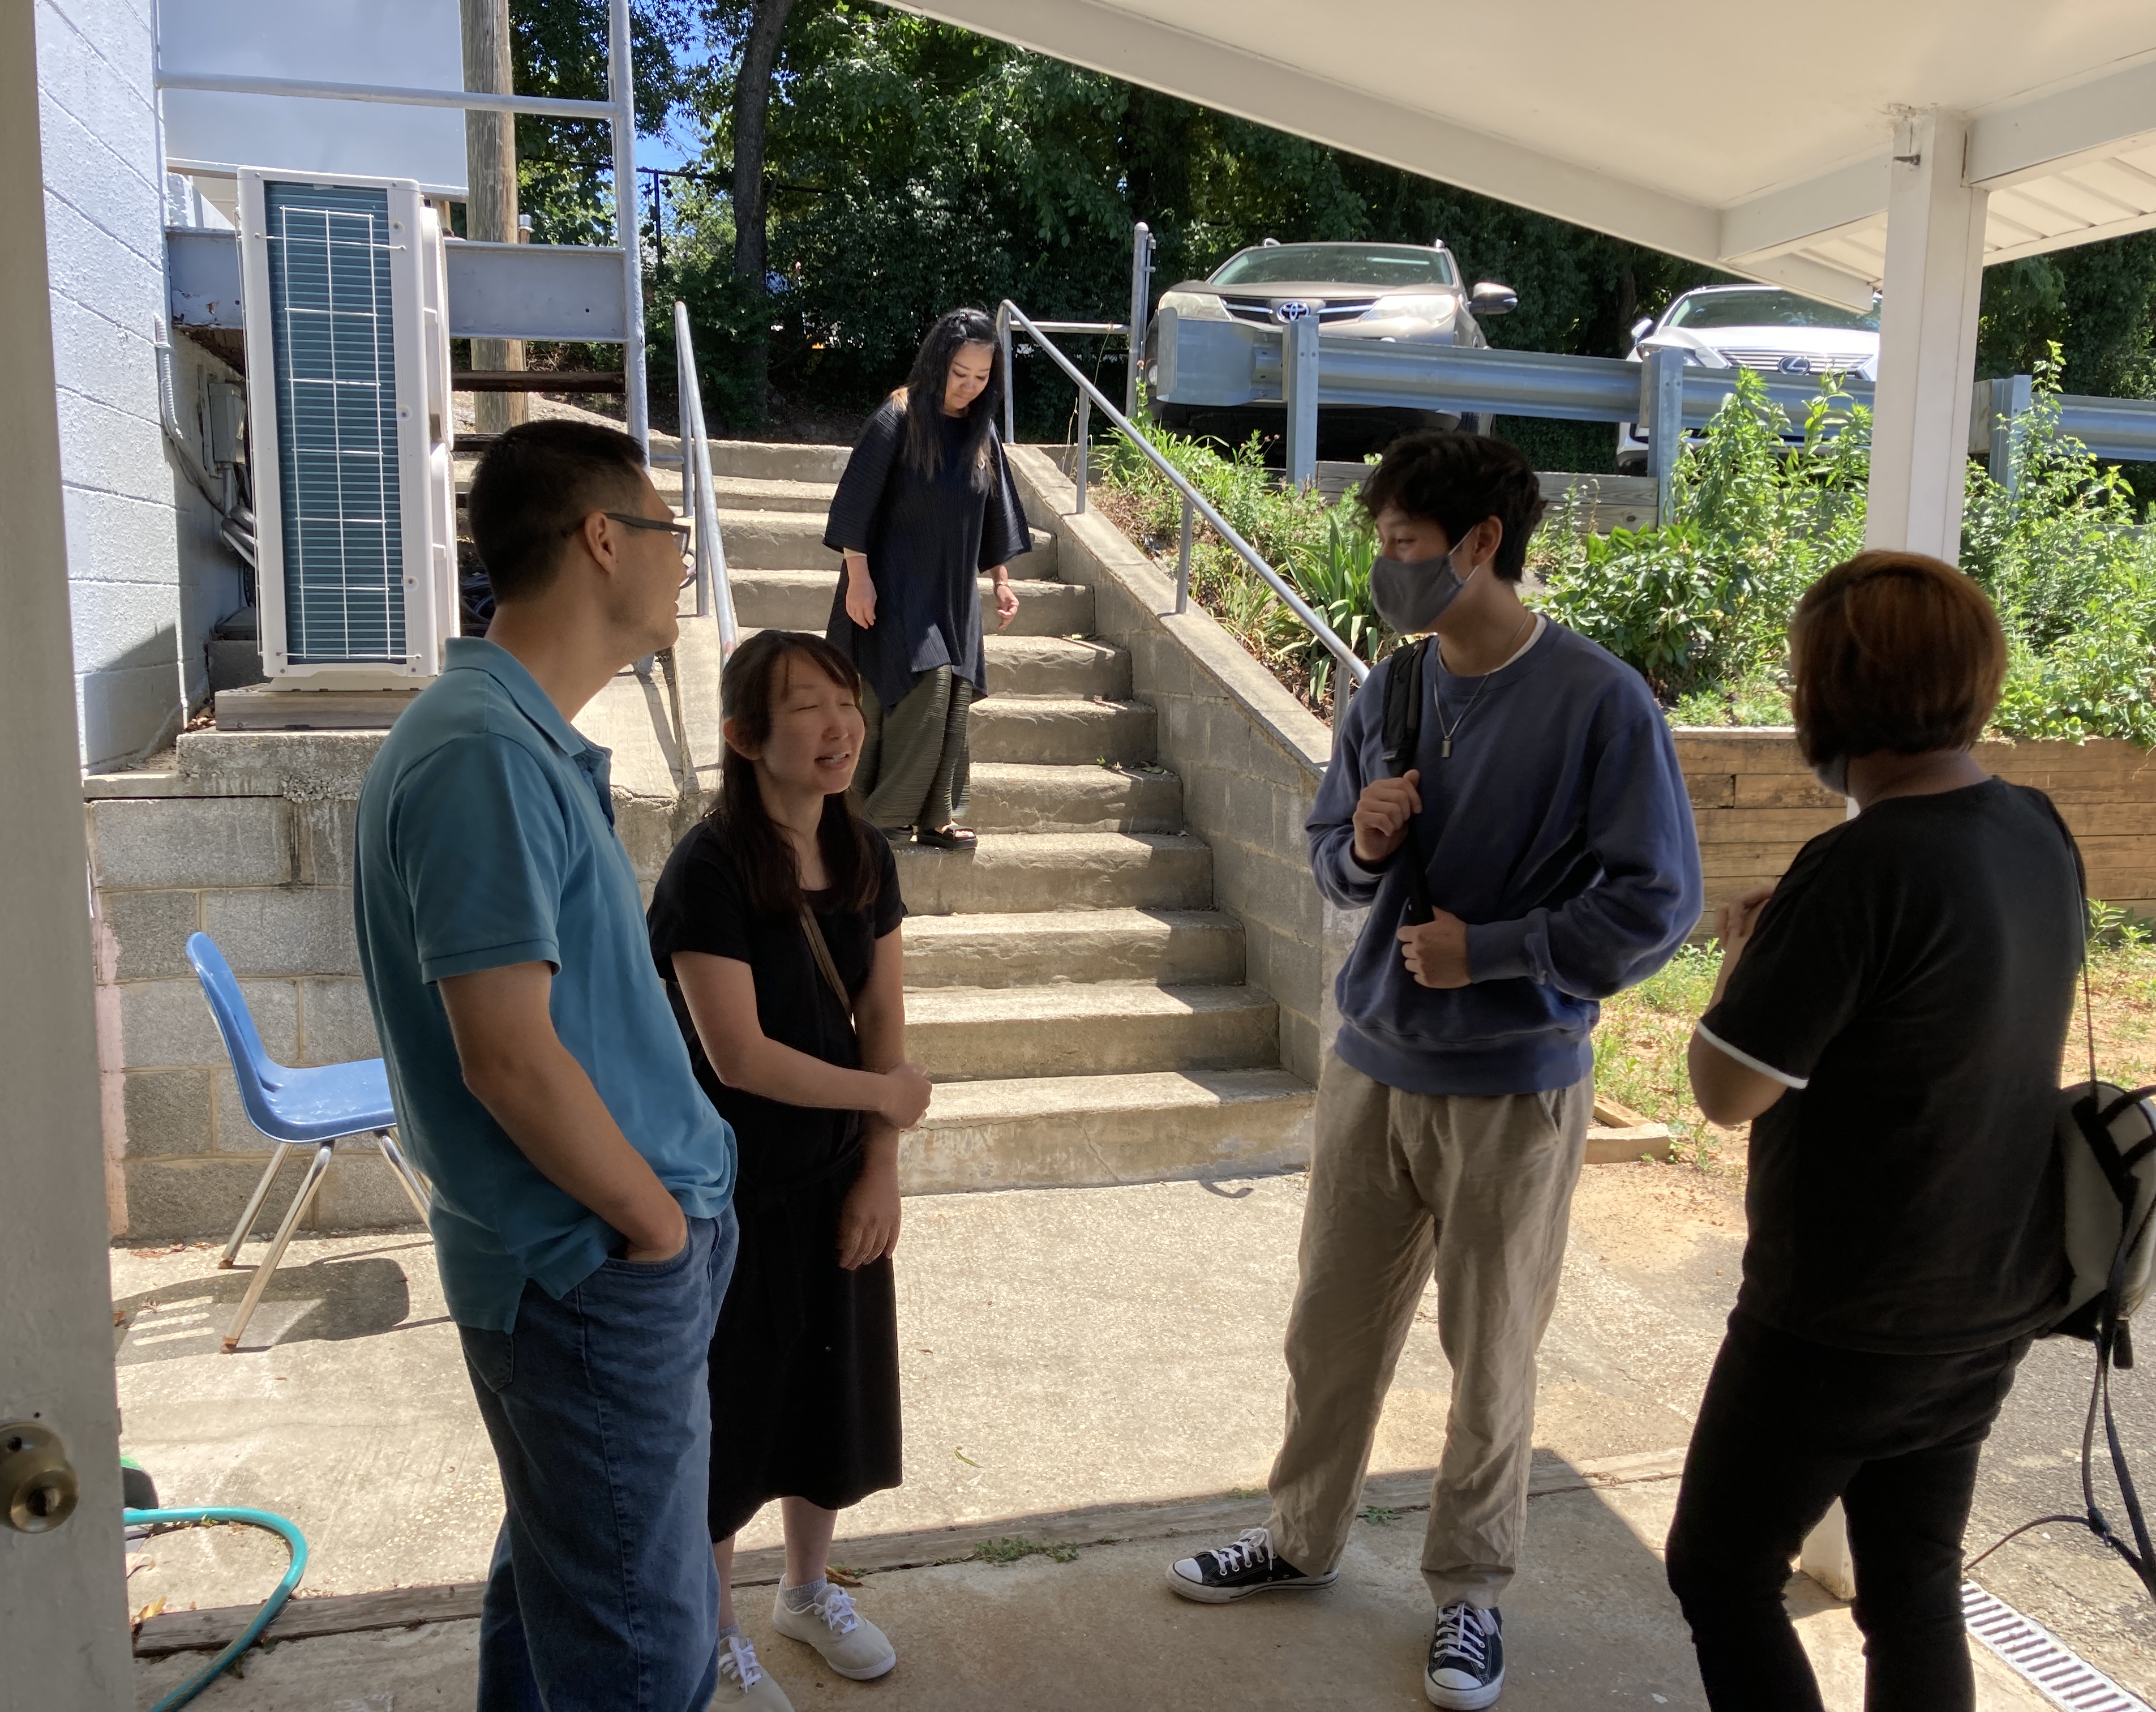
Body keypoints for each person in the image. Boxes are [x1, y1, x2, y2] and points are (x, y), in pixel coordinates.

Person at [1164, 431, 1705, 1710]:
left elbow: (1658, 902)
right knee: (1328, 1329)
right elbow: (1329, 859)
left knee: (1490, 1352)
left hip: (1514, 1082)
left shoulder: (1598, 702)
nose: (1384, 566)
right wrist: (1361, 841)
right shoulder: (1392, 690)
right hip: (1373, 1065)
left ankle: (1470, 1593)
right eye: (1382, 543)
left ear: (1480, 544)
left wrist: (1496, 952)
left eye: (1403, 543)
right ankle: (1300, 1537)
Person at [353, 420, 738, 1711]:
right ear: (601, 540)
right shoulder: (483, 753)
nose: (683, 562)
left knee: (564, 1590)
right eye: (671, 532)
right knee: (642, 1649)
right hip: (590, 1265)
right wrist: (653, 1228)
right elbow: (509, 1059)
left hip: (590, 1260)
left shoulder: (510, 736)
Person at [1666, 551, 2084, 1712]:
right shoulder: (2035, 828)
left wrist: (1745, 961)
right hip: (1990, 1288)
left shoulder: (1858, 866)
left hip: (1842, 1313)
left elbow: (1727, 1089)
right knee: (1912, 1584)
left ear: (1837, 692)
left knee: (1720, 1570)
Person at [646, 630, 932, 1709]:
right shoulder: (709, 868)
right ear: (744, 735)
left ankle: (806, 1590)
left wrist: (878, 1166)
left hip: (833, 1176)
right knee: (727, 1420)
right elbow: (740, 1055)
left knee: (829, 1397)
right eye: (807, 705)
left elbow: (883, 1012)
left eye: (844, 701)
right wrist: (881, 1097)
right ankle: (713, 1629)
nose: (838, 724)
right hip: (728, 1191)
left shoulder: (864, 853)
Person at [823, 307, 1031, 851]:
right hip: (893, 582)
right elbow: (854, 505)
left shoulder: (982, 433)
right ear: (938, 361)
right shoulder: (897, 418)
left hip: (953, 589)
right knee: (927, 682)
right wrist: (859, 579)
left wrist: (1001, 581)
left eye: (981, 377)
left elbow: (992, 514)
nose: (969, 386)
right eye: (960, 373)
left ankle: (940, 815)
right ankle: (881, 816)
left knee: (954, 691)